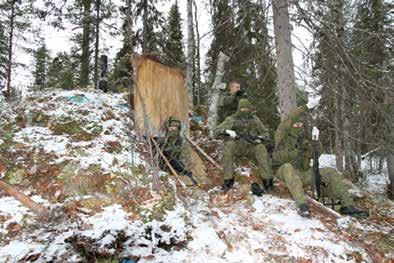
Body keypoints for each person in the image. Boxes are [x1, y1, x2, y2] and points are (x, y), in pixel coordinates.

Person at [272, 105, 369, 218]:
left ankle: (347, 205)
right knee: (288, 167)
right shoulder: (281, 137)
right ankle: (302, 205)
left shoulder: (302, 141)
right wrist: (304, 108)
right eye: (296, 124)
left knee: (330, 171)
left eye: (300, 125)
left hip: (302, 174)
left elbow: (317, 154)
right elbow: (287, 120)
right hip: (282, 172)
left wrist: (316, 141)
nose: (298, 127)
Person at [214, 99, 273, 193]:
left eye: (246, 109)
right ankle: (228, 180)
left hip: (251, 147)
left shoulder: (254, 119)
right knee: (229, 145)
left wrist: (260, 138)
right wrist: (228, 132)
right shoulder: (232, 119)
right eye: (242, 109)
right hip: (237, 146)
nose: (244, 111)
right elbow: (217, 130)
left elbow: (266, 133)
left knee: (261, 148)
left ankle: (267, 181)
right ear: (238, 109)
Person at [158, 117, 197, 185]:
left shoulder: (182, 142)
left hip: (181, 171)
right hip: (166, 171)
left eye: (175, 129)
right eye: (170, 128)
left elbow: (187, 160)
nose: (172, 131)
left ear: (178, 129)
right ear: (167, 129)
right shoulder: (163, 141)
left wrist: (185, 170)